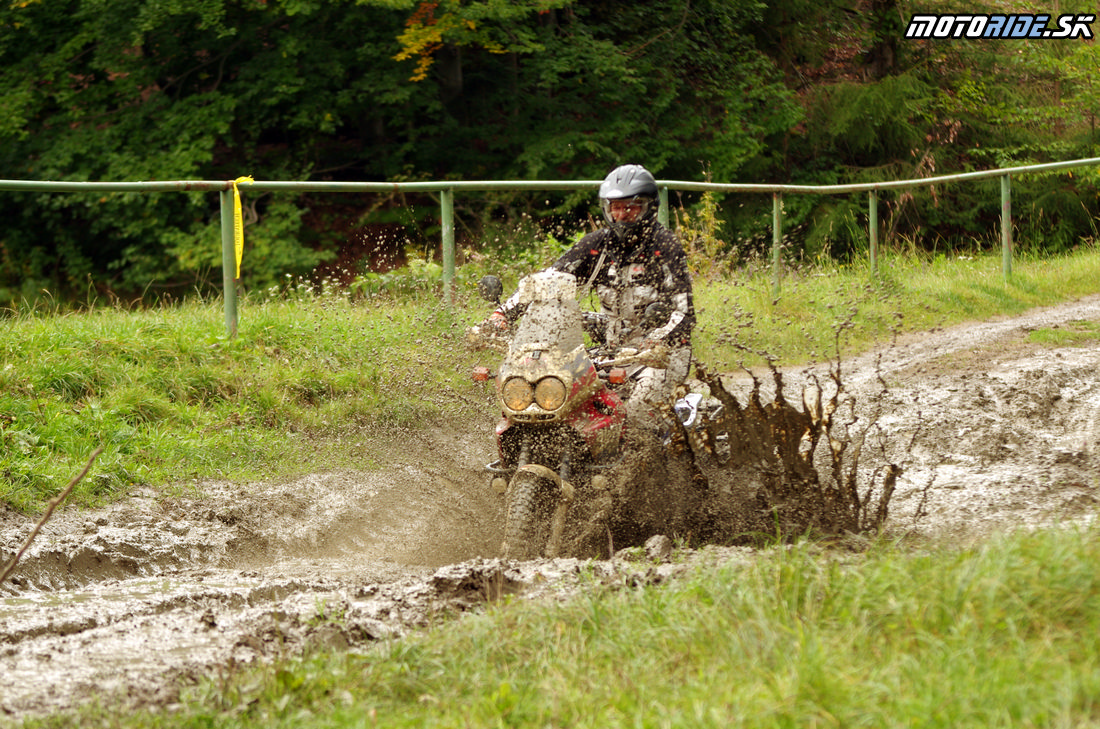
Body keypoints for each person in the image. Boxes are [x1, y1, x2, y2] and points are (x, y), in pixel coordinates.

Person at [489, 163, 695, 425]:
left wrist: (655, 341)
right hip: (613, 349)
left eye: (630, 207)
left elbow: (683, 312)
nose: (622, 214)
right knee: (558, 393)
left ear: (648, 207)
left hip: (659, 354)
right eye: (615, 207)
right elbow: (548, 281)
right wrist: (502, 313)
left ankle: (650, 459)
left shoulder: (665, 247)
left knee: (638, 415)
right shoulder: (597, 244)